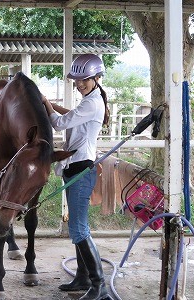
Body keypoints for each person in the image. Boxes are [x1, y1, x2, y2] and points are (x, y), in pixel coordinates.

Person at [42, 54, 113, 300]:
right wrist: (50, 104)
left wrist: (45, 104)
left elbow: (60, 123)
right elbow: (72, 116)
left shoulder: (92, 103)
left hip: (82, 169)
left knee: (79, 228)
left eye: (85, 79)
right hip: (75, 167)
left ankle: (99, 285)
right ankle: (83, 277)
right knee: (76, 226)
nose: (80, 84)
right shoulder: (89, 101)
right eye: (77, 80)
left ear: (96, 78)